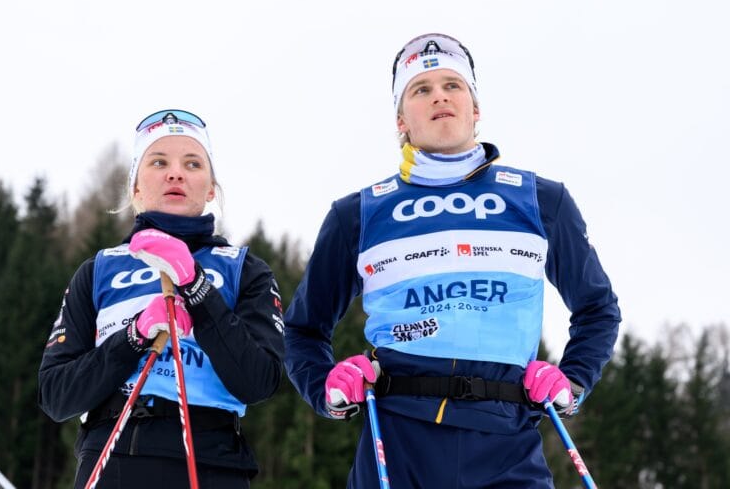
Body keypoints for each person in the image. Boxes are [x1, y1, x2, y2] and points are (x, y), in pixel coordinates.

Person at [283, 33, 621, 487]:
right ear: (401, 120)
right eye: (421, 89)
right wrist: (328, 388)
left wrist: (572, 381)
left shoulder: (540, 200)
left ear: (475, 109)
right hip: (397, 440)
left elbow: (598, 309)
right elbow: (303, 330)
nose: (439, 95)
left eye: (452, 84)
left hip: (507, 438)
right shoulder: (359, 214)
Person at [38, 109, 285, 488]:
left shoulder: (243, 269)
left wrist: (196, 288)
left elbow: (259, 381)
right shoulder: (100, 270)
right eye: (158, 162)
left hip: (211, 461)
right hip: (115, 456)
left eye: (192, 163)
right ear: (136, 188)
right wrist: (135, 336)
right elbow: (56, 396)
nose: (176, 173)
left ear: (210, 190)